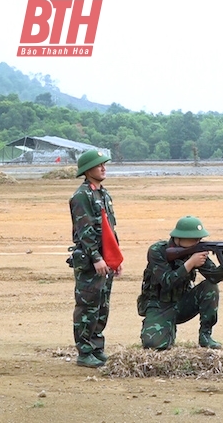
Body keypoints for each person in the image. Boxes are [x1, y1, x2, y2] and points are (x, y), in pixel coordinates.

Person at [138, 216, 223, 350]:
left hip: (183, 303)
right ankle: (167, 330)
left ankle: (205, 336)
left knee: (210, 286)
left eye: (199, 238)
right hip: (158, 305)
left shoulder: (196, 251)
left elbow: (214, 277)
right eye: (193, 239)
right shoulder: (158, 251)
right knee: (153, 345)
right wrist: (190, 263)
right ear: (178, 238)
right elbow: (166, 281)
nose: (197, 241)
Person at [69, 150, 122, 368]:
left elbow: (110, 230)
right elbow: (85, 231)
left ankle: (97, 347)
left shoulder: (103, 194)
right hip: (91, 261)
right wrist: (97, 258)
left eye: (104, 164)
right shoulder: (82, 196)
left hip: (105, 259)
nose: (103, 168)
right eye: (99, 165)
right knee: (88, 305)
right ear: (87, 170)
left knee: (102, 305)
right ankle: (84, 351)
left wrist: (114, 259)